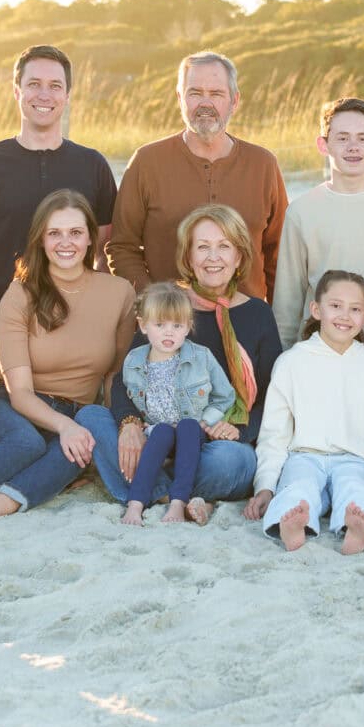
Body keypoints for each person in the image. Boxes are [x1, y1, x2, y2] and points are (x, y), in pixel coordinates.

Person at [0, 189, 137, 526]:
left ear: (91, 239)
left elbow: (115, 376)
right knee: (27, 441)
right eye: (55, 233)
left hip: (71, 411)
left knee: (79, 450)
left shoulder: (119, 292)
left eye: (76, 233)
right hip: (4, 404)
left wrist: (108, 428)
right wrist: (65, 425)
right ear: (41, 239)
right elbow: (19, 393)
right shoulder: (21, 293)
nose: (66, 242)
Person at [0, 44, 117, 372]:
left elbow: (104, 254)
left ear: (67, 95)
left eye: (55, 86)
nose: (44, 94)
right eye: (34, 84)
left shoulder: (92, 164)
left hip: (74, 329)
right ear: (17, 91)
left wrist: (96, 323)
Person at [110, 204, 282, 504]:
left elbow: (273, 395)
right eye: (202, 247)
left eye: (224, 247)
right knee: (92, 418)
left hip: (215, 443)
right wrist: (129, 425)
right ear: (189, 257)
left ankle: (155, 489)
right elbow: (125, 378)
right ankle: (177, 492)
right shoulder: (168, 306)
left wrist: (237, 429)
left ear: (239, 255)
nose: (213, 257)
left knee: (234, 462)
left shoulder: (258, 313)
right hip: (158, 436)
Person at [244, 271, 364, 554]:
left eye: (355, 309)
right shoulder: (291, 362)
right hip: (304, 456)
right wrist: (265, 486)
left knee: (357, 490)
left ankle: (357, 529)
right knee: (298, 488)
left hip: (355, 459)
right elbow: (274, 435)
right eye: (335, 305)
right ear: (316, 310)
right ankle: (293, 526)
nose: (345, 316)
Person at [107, 50, 287, 300]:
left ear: (234, 101)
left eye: (216, 94)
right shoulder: (147, 162)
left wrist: (275, 326)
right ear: (180, 98)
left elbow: (279, 256)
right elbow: (122, 247)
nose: (205, 103)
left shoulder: (263, 164)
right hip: (169, 330)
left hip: (248, 327)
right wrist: (156, 303)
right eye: (195, 93)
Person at [272, 97, 364, 346]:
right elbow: (288, 301)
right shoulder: (301, 211)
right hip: (316, 351)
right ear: (323, 145)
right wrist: (282, 359)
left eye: (362, 138)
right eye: (342, 138)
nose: (353, 147)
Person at [119, 283, 239, 527]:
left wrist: (205, 421)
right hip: (156, 432)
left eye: (177, 325)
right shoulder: (133, 360)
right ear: (143, 325)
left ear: (188, 327)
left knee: (187, 426)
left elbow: (225, 396)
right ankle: (135, 504)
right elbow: (127, 397)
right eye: (160, 325)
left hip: (192, 433)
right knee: (162, 431)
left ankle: (177, 502)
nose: (169, 333)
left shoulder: (201, 357)